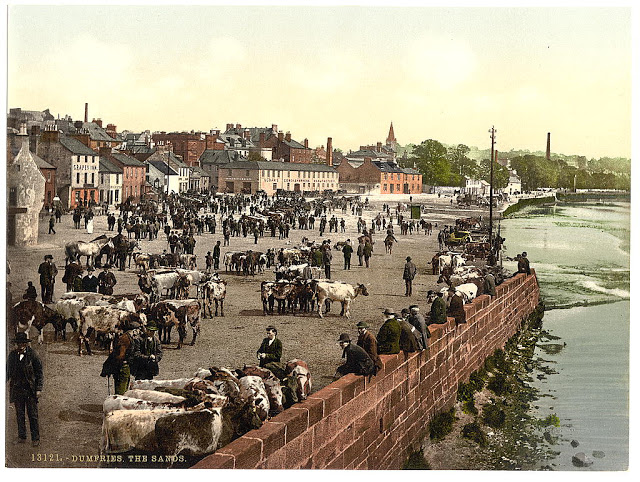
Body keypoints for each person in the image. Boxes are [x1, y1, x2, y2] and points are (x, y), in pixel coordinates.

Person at [7, 332, 43, 446]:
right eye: (19, 343)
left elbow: (39, 373)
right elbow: (7, 372)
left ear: (26, 344)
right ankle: (21, 437)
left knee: (32, 415)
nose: (21, 345)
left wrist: (38, 389)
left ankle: (35, 438)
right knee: (20, 414)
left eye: (23, 343)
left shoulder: (33, 355)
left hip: (29, 390)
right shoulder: (12, 356)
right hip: (17, 389)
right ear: (16, 344)